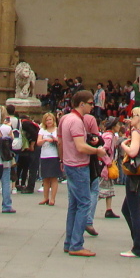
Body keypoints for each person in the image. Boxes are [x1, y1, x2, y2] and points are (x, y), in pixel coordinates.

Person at [59, 90, 104, 257]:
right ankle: (76, 244)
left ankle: (69, 242)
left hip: (69, 164)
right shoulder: (77, 121)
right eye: (91, 103)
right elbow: (80, 146)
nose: (93, 106)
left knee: (74, 205)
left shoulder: (65, 118)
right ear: (82, 104)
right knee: (84, 203)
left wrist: (62, 160)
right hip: (79, 165)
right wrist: (97, 151)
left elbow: (62, 142)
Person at [118, 107, 140, 258]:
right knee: (127, 209)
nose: (130, 118)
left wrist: (123, 145)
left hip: (135, 174)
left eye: (133, 116)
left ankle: (138, 246)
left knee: (133, 211)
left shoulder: (136, 133)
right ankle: (137, 242)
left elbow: (133, 152)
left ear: (139, 117)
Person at [36, 112, 60, 206]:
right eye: (47, 120)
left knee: (54, 178)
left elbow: (61, 141)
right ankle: (45, 198)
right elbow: (38, 142)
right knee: (45, 178)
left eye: (50, 119)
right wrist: (45, 139)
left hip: (54, 155)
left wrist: (54, 139)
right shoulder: (42, 130)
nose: (49, 121)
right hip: (44, 155)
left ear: (53, 120)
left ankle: (52, 199)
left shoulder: (57, 130)